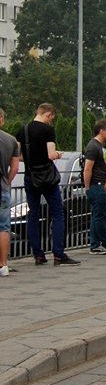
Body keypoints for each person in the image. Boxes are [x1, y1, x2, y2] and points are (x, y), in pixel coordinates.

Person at [15, 103, 80, 266]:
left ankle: (38, 255)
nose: (51, 121)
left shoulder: (22, 130)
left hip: (30, 176)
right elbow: (51, 155)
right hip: (47, 178)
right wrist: (58, 154)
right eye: (51, 118)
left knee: (33, 214)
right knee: (57, 213)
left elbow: (19, 156)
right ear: (48, 114)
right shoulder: (48, 130)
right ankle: (58, 254)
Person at [84, 119, 106, 255]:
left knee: (98, 215)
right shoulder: (93, 147)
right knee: (99, 216)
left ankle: (95, 244)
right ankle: (103, 242)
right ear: (101, 131)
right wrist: (88, 188)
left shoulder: (99, 146)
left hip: (102, 185)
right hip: (97, 185)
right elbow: (87, 169)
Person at [0, 109, 20, 277]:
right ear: (1, 120)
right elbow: (15, 167)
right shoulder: (11, 140)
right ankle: (3, 265)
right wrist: (6, 181)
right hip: (2, 188)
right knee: (3, 227)